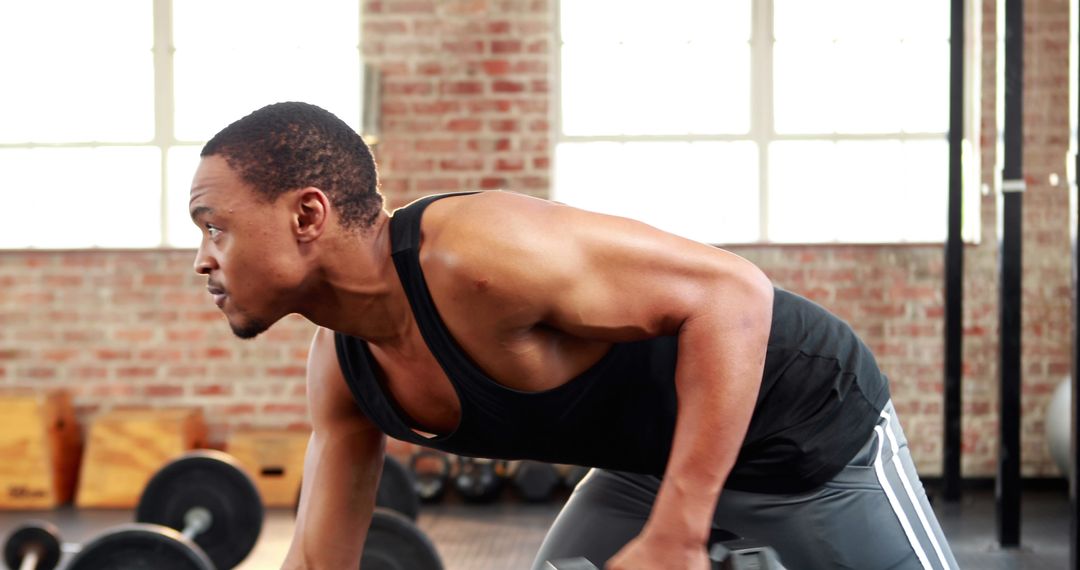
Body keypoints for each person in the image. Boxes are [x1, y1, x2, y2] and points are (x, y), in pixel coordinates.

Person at [189, 101, 958, 570]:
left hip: (804, 430)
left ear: (308, 215)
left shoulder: (477, 254)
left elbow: (734, 294)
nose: (202, 259)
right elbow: (322, 561)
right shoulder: (345, 368)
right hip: (649, 464)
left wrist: (681, 532)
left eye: (214, 227)